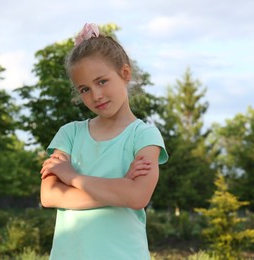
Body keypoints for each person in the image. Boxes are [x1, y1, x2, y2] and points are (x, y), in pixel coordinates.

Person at [40, 23, 168, 260]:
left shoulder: (144, 136)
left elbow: (137, 196)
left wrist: (71, 176)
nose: (95, 95)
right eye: (84, 89)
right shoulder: (69, 134)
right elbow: (48, 196)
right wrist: (119, 188)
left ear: (125, 74)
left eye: (101, 81)